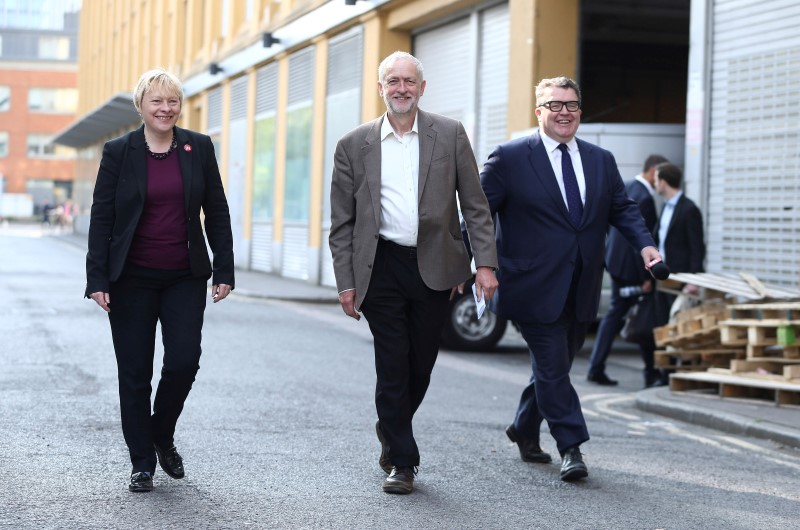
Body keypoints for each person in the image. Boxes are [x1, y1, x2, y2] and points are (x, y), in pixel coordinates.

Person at [328, 51, 498, 495]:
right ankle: (403, 462)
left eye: (409, 81)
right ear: (380, 88)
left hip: (435, 266)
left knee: (420, 362)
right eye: (392, 81)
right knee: (392, 363)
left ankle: (391, 428)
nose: (401, 88)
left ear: (422, 88)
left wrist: (485, 265)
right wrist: (345, 281)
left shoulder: (450, 134)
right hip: (379, 266)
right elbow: (342, 223)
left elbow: (475, 206)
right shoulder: (353, 144)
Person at [479, 76, 663, 481]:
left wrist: (645, 245)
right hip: (530, 284)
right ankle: (571, 445)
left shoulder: (600, 159)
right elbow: (477, 214)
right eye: (555, 105)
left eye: (572, 105)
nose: (564, 112)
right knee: (551, 364)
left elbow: (624, 209)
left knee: (554, 366)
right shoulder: (510, 157)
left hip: (581, 285)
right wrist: (481, 265)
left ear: (580, 110)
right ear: (538, 111)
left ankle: (524, 428)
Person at [85, 68, 235, 493]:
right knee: (134, 372)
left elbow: (217, 210)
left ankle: (161, 431)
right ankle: (142, 462)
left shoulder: (198, 147)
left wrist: (224, 266)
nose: (165, 108)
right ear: (141, 107)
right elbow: (103, 217)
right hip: (130, 278)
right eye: (156, 101)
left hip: (183, 276)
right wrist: (98, 277)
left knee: (184, 360)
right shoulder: (119, 151)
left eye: (172, 101)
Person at [587, 154, 667, 388]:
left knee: (618, 315)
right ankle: (649, 373)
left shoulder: (628, 187)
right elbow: (639, 239)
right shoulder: (645, 197)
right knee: (641, 316)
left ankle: (598, 366)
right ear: (652, 171)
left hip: (615, 261)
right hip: (631, 267)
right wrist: (645, 276)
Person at [653, 162, 706, 376]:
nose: (655, 183)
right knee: (663, 324)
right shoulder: (665, 206)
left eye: (656, 179)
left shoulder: (689, 209)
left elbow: (697, 247)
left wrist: (693, 279)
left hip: (681, 277)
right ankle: (664, 373)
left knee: (678, 325)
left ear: (664, 182)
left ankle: (675, 372)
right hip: (663, 276)